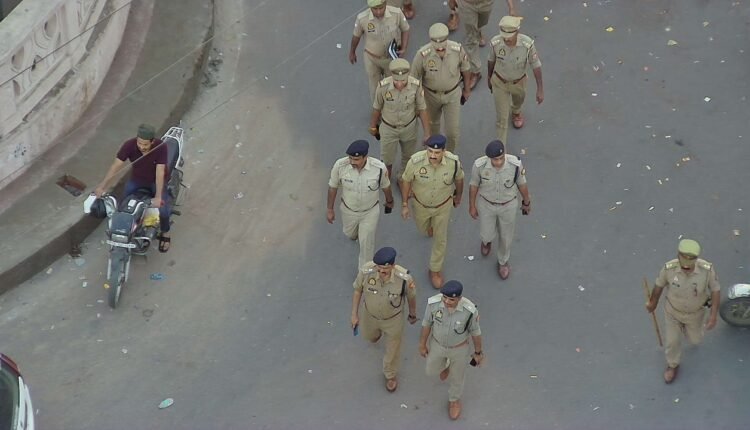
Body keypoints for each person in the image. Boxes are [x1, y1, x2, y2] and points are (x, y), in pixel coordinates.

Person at [645, 239, 721, 384]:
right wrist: (653, 303)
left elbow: (715, 290)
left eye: (689, 267)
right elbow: (658, 286)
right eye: (683, 265)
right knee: (672, 341)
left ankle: (687, 331)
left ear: (696, 260)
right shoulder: (669, 268)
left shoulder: (707, 270)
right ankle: (672, 365)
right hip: (673, 312)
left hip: (695, 314)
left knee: (695, 340)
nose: (686, 268)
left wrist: (713, 316)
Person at [95, 124, 172, 252]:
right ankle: (129, 230)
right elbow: (116, 166)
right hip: (137, 180)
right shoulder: (129, 145)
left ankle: (166, 232)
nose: (142, 146)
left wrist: (158, 197)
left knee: (164, 211)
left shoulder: (161, 147)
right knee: (123, 207)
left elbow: (160, 172)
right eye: (139, 143)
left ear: (152, 141)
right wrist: (102, 187)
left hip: (155, 182)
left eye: (145, 144)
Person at [400, 135, 464, 289]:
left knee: (440, 238)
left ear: (444, 151)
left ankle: (435, 269)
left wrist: (458, 196)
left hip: (443, 206)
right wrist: (405, 204)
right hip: (420, 205)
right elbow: (406, 180)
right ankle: (429, 227)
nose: (433, 156)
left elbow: (459, 179)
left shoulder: (453, 163)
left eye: (437, 152)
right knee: (423, 228)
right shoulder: (415, 162)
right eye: (430, 151)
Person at [351, 247, 418, 392]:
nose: (381, 272)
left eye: (385, 269)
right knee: (370, 337)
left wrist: (412, 314)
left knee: (393, 349)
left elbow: (411, 297)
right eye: (379, 268)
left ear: (393, 266)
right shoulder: (367, 272)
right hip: (370, 316)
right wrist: (354, 314)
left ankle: (390, 374)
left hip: (393, 320)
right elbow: (357, 290)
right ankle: (376, 335)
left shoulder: (404, 279)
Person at [419, 280, 483, 420]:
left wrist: (478, 353)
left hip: (459, 349)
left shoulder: (469, 311)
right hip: (437, 345)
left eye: (451, 299)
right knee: (430, 370)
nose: (447, 302)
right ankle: (446, 365)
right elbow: (426, 324)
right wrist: (422, 344)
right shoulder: (433, 304)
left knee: (457, 377)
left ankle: (454, 400)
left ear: (459, 298)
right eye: (445, 297)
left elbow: (475, 333)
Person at [468, 140, 530, 279]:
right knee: (486, 234)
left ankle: (503, 261)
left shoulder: (515, 165)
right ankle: (487, 241)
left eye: (501, 158)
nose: (499, 162)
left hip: (508, 205)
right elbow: (473, 185)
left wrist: (527, 202)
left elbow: (522, 184)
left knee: (506, 236)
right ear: (489, 158)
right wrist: (472, 205)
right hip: (486, 204)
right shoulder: (479, 165)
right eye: (495, 159)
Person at [328, 140, 394, 269]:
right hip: (348, 210)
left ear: (365, 157)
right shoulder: (340, 166)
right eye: (351, 158)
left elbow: (385, 186)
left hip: (370, 212)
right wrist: (330, 209)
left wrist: (389, 201)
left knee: (366, 246)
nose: (352, 162)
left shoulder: (379, 168)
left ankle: (364, 274)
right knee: (349, 233)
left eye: (356, 159)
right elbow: (332, 187)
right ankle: (356, 234)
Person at [411, 23, 471, 154]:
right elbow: (414, 79)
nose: (439, 49)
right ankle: (434, 153)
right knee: (433, 126)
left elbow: (465, 69)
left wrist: (467, 89)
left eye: (442, 47)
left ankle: (449, 155)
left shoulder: (457, 50)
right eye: (436, 47)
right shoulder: (422, 55)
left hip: (452, 93)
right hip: (430, 95)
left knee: (452, 131)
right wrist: (416, 101)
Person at [369, 58, 430, 181]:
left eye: (403, 80)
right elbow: (377, 108)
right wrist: (373, 127)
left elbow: (422, 109)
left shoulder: (415, 86)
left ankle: (402, 178)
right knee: (387, 159)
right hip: (389, 128)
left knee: (408, 157)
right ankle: (386, 181)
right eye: (396, 80)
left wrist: (427, 134)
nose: (400, 84)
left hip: (409, 127)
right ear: (392, 76)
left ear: (408, 76)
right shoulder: (383, 87)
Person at [487, 15, 543, 147]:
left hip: (519, 82)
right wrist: (489, 77)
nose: (506, 39)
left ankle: (516, 112)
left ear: (517, 32)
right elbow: (491, 60)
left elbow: (535, 65)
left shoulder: (527, 45)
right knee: (502, 119)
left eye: (509, 36)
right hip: (499, 82)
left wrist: (540, 89)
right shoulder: (496, 43)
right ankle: (501, 151)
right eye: (504, 36)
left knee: (518, 100)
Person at [350, 0, 410, 102]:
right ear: (370, 7)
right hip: (372, 58)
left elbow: (405, 29)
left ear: (385, 4)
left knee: (393, 84)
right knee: (375, 87)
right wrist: (352, 52)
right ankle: (377, 107)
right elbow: (356, 36)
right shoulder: (362, 18)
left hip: (390, 59)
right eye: (375, 9)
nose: (378, 12)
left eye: (381, 8)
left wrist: (404, 48)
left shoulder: (396, 13)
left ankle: (391, 107)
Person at [450, 0, 518, 89]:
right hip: (467, 4)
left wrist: (511, 8)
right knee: (471, 39)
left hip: (486, 4)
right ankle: (476, 72)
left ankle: (478, 32)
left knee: (481, 23)